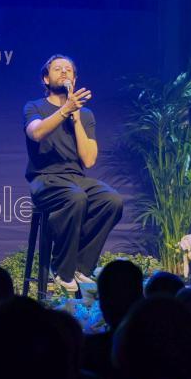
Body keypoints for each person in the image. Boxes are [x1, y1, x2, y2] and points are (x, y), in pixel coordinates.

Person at [23, 54, 124, 294]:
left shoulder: (85, 114)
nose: (64, 72)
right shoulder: (34, 107)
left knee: (112, 200)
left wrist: (76, 118)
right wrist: (64, 110)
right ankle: (61, 268)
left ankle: (80, 266)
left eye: (68, 70)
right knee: (75, 197)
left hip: (76, 178)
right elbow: (36, 133)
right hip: (45, 178)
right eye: (57, 69)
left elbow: (88, 160)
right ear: (46, 79)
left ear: (75, 80)